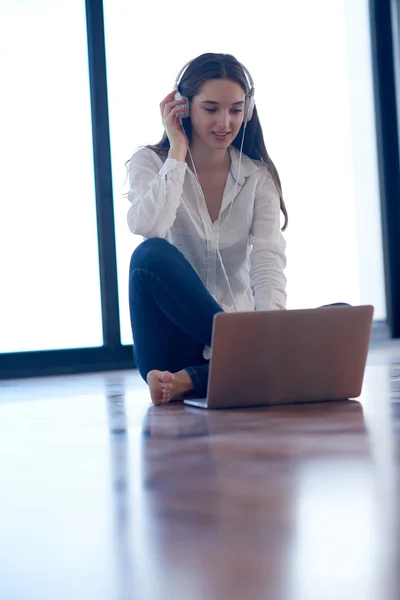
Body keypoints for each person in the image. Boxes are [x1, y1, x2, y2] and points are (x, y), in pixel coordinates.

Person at [126, 52, 288, 406]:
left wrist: (273, 330)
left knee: (338, 312)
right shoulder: (152, 163)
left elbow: (267, 260)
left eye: (235, 109)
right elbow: (148, 225)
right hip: (172, 345)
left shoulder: (257, 178)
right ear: (182, 107)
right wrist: (178, 151)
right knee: (149, 254)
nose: (224, 122)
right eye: (211, 108)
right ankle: (255, 361)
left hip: (235, 337)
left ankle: (193, 380)